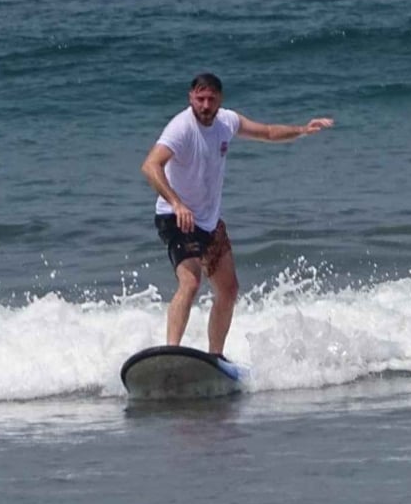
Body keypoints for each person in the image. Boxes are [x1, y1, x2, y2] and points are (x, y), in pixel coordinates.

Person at [141, 72, 333, 355]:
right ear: (191, 98)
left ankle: (214, 358)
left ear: (220, 100)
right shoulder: (181, 128)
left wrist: (303, 130)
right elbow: (150, 166)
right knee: (191, 282)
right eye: (200, 99)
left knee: (229, 291)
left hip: (208, 222)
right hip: (176, 217)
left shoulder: (227, 122)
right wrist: (177, 203)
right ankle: (171, 353)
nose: (205, 106)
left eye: (211, 99)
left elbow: (267, 132)